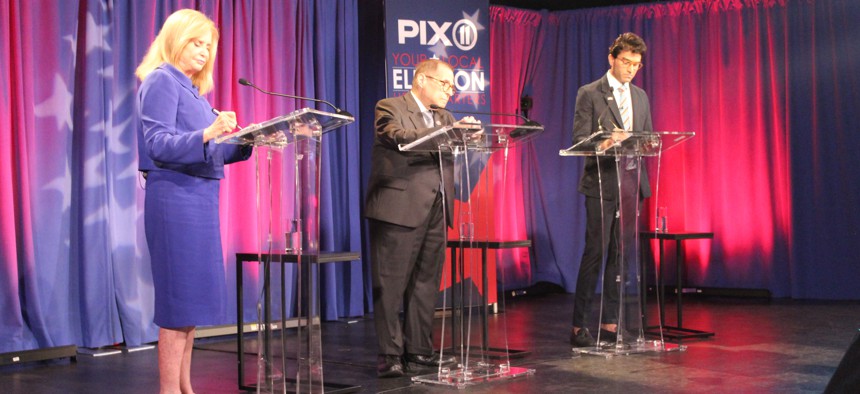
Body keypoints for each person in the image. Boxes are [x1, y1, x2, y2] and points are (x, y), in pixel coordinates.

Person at [135, 9, 252, 393]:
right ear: (176, 39)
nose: (204, 52)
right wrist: (208, 132)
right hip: (175, 202)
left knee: (190, 308)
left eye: (208, 46)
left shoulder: (193, 91)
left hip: (199, 201)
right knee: (177, 305)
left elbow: (213, 149)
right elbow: (158, 144)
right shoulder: (162, 81)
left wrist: (252, 138)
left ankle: (186, 387)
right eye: (196, 43)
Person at [365, 59, 479, 378]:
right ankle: (389, 354)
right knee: (391, 284)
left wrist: (467, 136)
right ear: (420, 80)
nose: (450, 92)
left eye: (452, 87)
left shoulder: (445, 116)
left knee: (425, 283)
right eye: (444, 84)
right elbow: (397, 136)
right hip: (398, 207)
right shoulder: (390, 106)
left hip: (437, 206)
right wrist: (447, 133)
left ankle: (419, 350)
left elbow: (452, 145)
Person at [569, 33, 652, 347]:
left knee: (621, 256)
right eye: (626, 62)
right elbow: (580, 140)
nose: (631, 69)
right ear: (612, 58)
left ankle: (611, 324)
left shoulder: (641, 96)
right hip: (601, 183)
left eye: (636, 64)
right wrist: (608, 141)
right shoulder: (590, 93)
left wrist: (642, 142)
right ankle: (579, 326)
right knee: (596, 253)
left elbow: (647, 139)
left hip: (631, 184)